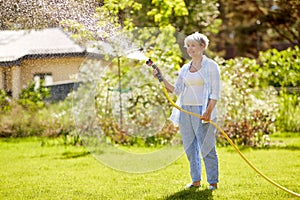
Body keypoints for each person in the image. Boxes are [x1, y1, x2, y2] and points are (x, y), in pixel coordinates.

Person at [152, 32, 221, 190]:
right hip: (185, 111)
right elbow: (176, 91)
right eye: (188, 46)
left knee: (207, 147)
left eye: (193, 46)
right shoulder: (185, 68)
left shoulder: (211, 66)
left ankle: (212, 182)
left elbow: (215, 93)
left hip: (202, 110)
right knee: (190, 148)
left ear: (202, 47)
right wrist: (160, 77)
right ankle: (195, 180)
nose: (190, 49)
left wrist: (208, 111)